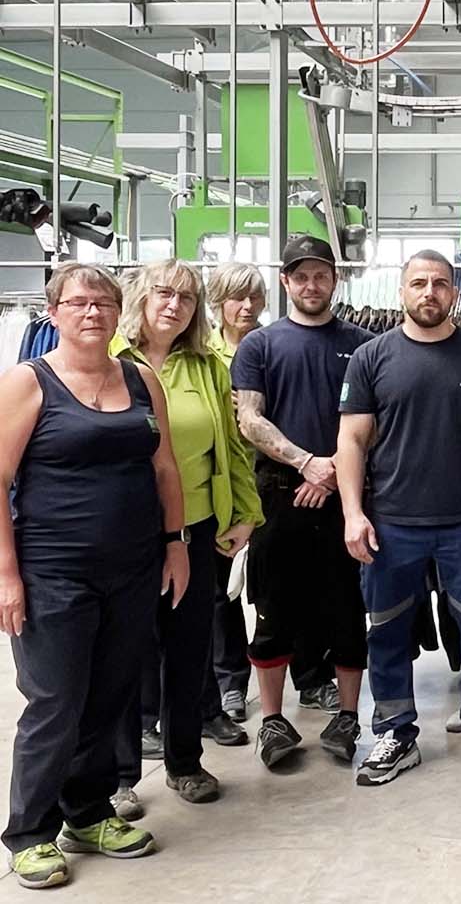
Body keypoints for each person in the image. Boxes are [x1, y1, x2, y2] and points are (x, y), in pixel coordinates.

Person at [0, 264, 182, 889]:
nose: (92, 312)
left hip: (133, 566)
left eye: (103, 302)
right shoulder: (29, 382)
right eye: (78, 303)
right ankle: (29, 833)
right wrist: (7, 575)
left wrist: (175, 545)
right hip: (53, 571)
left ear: (117, 312)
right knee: (56, 700)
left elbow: (164, 467)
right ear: (53, 313)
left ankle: (87, 813)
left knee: (110, 693)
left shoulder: (140, 378)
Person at [337, 250, 461, 786]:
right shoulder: (371, 358)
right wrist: (353, 513)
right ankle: (395, 732)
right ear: (402, 292)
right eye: (418, 283)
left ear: (454, 292)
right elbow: (351, 439)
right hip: (391, 522)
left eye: (440, 283)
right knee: (387, 631)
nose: (429, 292)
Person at [112, 261, 262, 809]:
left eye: (188, 297)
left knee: (188, 647)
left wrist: (246, 512)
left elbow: (232, 446)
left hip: (196, 526)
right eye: (164, 293)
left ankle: (184, 761)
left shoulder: (207, 366)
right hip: (123, 529)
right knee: (122, 652)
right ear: (140, 297)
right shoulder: (108, 359)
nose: (175, 305)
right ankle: (118, 778)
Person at [233, 236, 374, 769]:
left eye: (321, 275)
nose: (311, 285)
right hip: (279, 496)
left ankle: (348, 716)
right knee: (274, 610)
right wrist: (304, 462)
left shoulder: (364, 345)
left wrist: (332, 471)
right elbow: (249, 418)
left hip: (347, 498)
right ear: (286, 282)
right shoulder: (260, 345)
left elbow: (376, 420)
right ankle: (272, 720)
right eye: (301, 276)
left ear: (335, 280)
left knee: (347, 609)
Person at [202, 262, 267, 727]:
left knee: (271, 585)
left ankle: (297, 671)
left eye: (254, 297)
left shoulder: (273, 344)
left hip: (270, 476)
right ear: (217, 302)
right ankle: (230, 683)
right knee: (219, 593)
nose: (246, 307)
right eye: (236, 298)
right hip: (220, 483)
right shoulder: (201, 352)